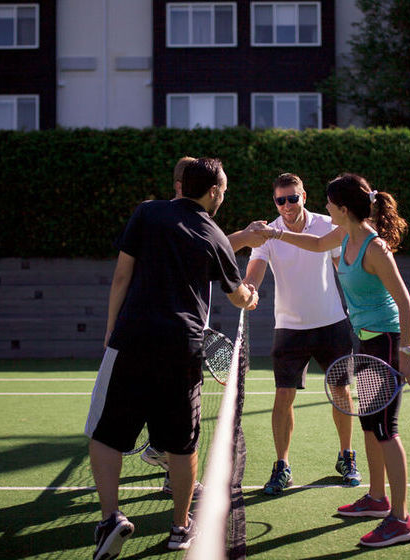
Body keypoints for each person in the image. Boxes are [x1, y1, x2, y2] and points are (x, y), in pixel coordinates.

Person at [85, 157, 259, 559]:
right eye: (224, 189)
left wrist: (112, 328)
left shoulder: (147, 212)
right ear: (213, 190)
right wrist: (251, 297)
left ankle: (110, 518)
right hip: (182, 348)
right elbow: (239, 295)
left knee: (106, 435)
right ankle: (181, 528)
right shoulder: (214, 234)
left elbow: (121, 276)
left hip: (132, 339)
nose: (224, 195)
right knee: (182, 447)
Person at [255, 173, 410, 547]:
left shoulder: (375, 249)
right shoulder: (342, 235)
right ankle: (376, 500)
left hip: (386, 342)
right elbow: (313, 245)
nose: (324, 208)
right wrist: (276, 234)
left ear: (343, 209)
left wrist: (407, 354)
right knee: (368, 424)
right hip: (363, 340)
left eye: (329, 203)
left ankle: (401, 518)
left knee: (385, 431)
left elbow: (405, 302)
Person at [140, 156, 264, 498]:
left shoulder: (156, 218)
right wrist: (247, 296)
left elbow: (213, 250)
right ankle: (178, 507)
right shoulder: (168, 219)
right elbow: (213, 248)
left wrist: (245, 236)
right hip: (178, 338)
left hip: (159, 333)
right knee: (182, 422)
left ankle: (166, 461)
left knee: (170, 413)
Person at [243, 173, 359, 496]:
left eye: (292, 198)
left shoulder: (326, 225)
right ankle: (282, 466)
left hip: (332, 324)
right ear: (275, 202)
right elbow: (253, 274)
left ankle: (346, 456)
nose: (287, 205)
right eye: (281, 200)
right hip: (289, 328)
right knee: (283, 398)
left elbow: (342, 268)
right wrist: (249, 291)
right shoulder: (267, 234)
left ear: (303, 197)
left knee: (341, 392)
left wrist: (360, 306)